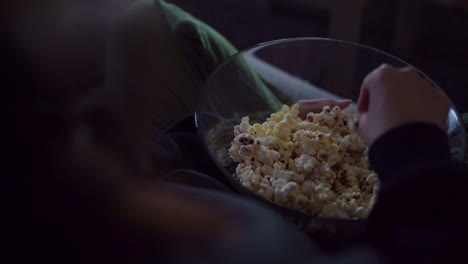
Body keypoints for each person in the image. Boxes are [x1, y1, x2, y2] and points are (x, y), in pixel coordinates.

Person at [3, 0, 468, 263]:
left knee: (147, 19)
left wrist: (243, 147)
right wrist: (411, 150)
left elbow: (138, 171)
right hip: (421, 210)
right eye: (80, 123)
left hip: (214, 173)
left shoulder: (72, 187)